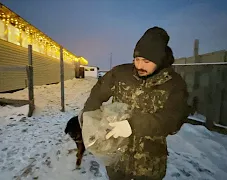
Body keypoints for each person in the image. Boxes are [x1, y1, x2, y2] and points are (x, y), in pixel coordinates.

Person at [79, 26, 190, 180]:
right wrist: (89, 117)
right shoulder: (120, 74)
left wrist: (133, 124)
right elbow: (97, 94)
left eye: (146, 61)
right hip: (117, 158)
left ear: (160, 60)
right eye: (136, 59)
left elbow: (173, 120)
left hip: (148, 164)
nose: (139, 66)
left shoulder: (174, 84)